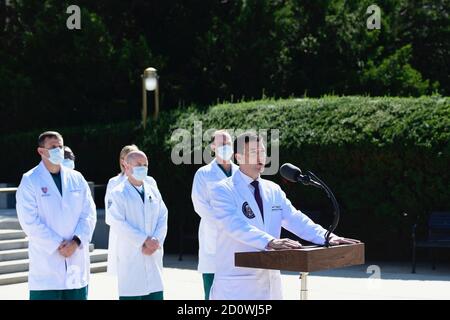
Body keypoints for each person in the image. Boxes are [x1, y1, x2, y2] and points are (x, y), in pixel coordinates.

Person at [209, 132, 359, 300]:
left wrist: (326, 237)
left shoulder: (272, 189)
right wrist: (270, 241)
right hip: (237, 288)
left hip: (271, 287)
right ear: (239, 157)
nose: (261, 157)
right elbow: (233, 225)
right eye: (253, 152)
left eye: (263, 152)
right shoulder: (222, 190)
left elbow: (295, 219)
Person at [15, 131, 97, 300]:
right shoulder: (30, 180)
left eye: (60, 146)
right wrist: (58, 244)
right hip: (47, 267)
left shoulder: (77, 178)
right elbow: (29, 221)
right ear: (41, 151)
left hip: (76, 264)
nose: (58, 150)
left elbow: (89, 214)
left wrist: (75, 242)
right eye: (53, 147)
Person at [107, 151, 168, 300]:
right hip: (131, 256)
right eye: (139, 165)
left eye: (145, 165)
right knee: (132, 292)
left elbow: (163, 216)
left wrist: (156, 241)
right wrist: (144, 240)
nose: (143, 168)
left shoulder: (153, 191)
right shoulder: (117, 193)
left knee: (155, 292)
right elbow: (117, 222)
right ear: (126, 167)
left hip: (153, 254)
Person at [191, 130, 239, 299]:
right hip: (214, 236)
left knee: (237, 291)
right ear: (213, 147)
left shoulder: (241, 173)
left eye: (228, 144)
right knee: (212, 291)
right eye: (221, 144)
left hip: (239, 237)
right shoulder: (203, 174)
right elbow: (200, 205)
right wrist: (225, 223)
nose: (225, 147)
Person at [104, 144, 140, 275]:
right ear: (122, 161)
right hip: (121, 237)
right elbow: (110, 214)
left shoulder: (148, 182)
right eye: (130, 157)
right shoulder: (114, 183)